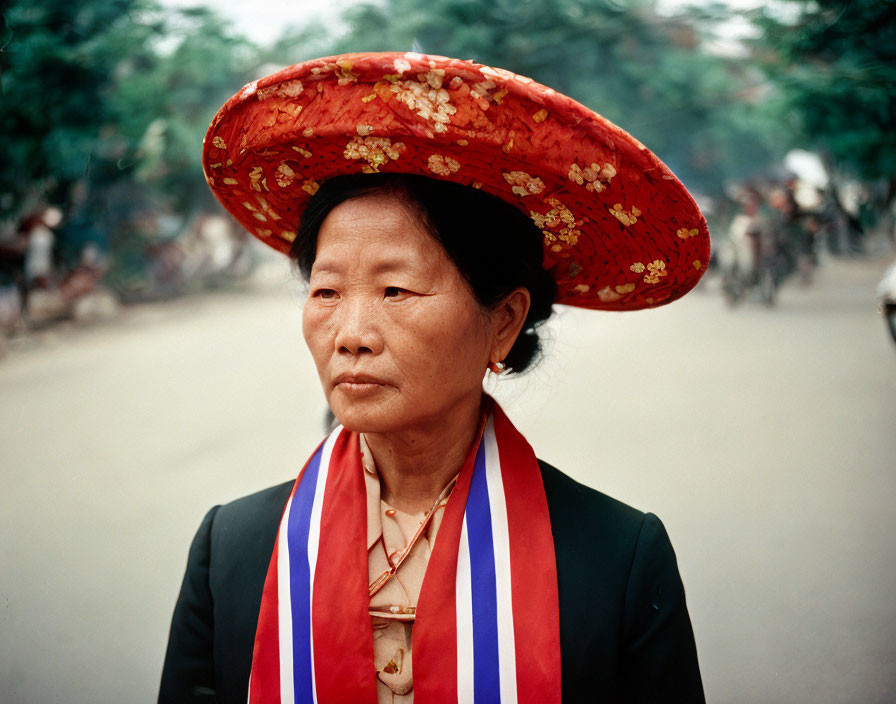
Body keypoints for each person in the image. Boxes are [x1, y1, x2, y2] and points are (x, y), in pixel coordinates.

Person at [159, 52, 709, 704]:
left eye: (396, 289)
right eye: (327, 289)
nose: (351, 332)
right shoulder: (233, 553)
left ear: (502, 322)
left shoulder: (614, 562)